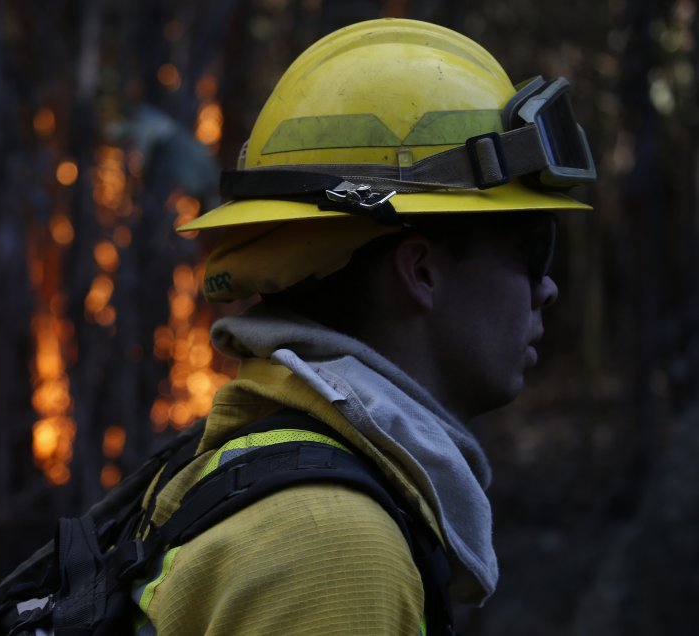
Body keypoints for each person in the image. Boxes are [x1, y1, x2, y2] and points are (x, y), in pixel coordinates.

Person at [129, 18, 595, 635]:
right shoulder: (334, 549)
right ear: (421, 272)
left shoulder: (256, 469)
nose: (548, 288)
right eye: (532, 248)